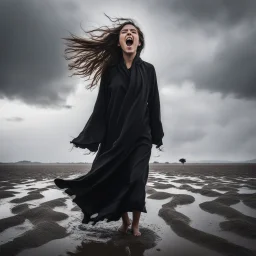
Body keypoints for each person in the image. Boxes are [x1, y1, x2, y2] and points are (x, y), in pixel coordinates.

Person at [54, 14, 164, 237]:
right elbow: (101, 106)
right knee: (116, 178)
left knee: (136, 179)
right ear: (119, 41)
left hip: (141, 134)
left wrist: (157, 135)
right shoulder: (110, 71)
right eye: (125, 32)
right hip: (114, 135)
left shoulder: (149, 70)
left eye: (134, 32)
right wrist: (92, 136)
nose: (130, 34)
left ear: (139, 42)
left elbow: (154, 103)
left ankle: (135, 225)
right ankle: (124, 222)